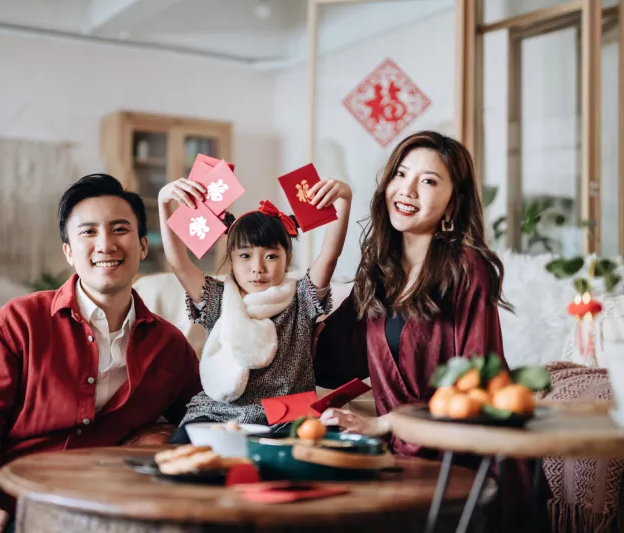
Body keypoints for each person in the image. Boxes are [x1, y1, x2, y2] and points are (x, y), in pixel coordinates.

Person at [0, 174, 202, 533]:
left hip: (74, 503)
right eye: (88, 232)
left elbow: (204, 418)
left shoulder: (169, 345)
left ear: (142, 246)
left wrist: (165, 438)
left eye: (120, 229)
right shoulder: (19, 321)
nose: (106, 244)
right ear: (68, 251)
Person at [312, 131, 530, 521]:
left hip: (465, 461)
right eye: (400, 174)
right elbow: (329, 359)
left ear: (452, 203)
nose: (407, 189)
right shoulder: (380, 269)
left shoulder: (467, 268)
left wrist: (382, 423)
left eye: (428, 181)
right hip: (400, 459)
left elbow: (478, 387)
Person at [158, 174, 351, 442]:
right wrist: (164, 203)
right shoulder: (217, 297)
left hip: (287, 415)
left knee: (325, 446)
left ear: (287, 259)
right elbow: (179, 262)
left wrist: (344, 200)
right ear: (232, 261)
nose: (257, 268)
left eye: (271, 256)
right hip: (220, 413)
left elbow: (330, 256)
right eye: (245, 256)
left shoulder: (302, 297)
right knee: (181, 447)